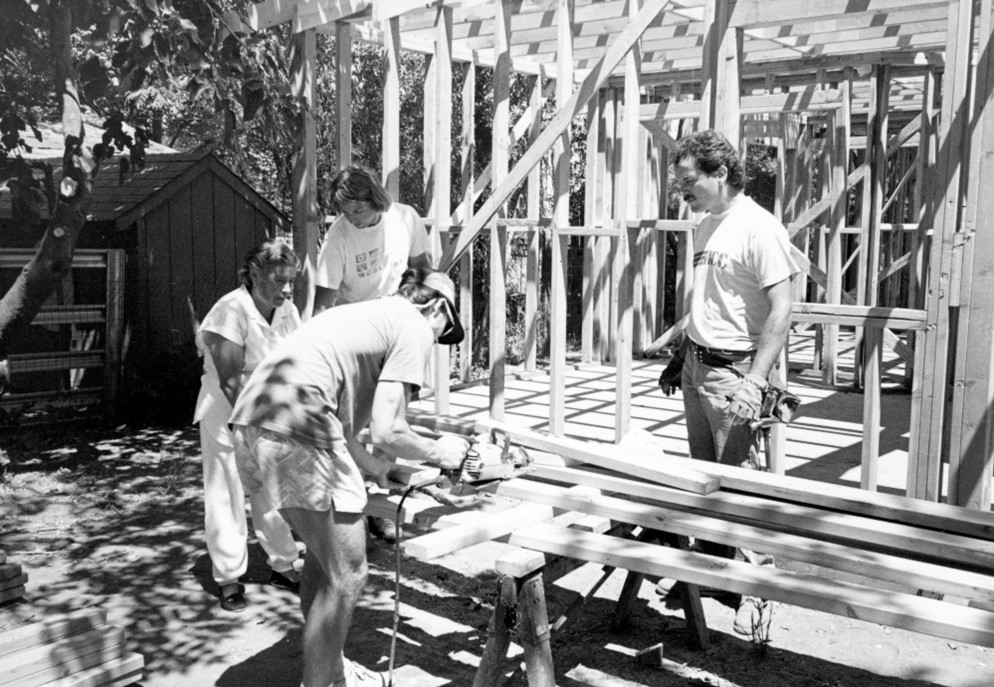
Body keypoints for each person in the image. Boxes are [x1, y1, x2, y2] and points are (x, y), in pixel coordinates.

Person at [230, 267, 471, 687]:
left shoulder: (364, 318)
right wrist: (440, 452)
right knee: (350, 573)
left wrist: (379, 468)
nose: (434, 343)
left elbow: (344, 432)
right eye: (441, 331)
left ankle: (332, 672)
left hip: (255, 423)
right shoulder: (413, 323)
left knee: (326, 565)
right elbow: (388, 430)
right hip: (297, 429)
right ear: (435, 307)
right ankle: (323, 683)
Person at [661, 129, 798, 636]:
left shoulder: (759, 229)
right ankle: (712, 575)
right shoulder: (706, 223)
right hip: (700, 366)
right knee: (707, 478)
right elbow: (712, 301)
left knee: (745, 483)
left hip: (736, 371)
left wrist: (756, 382)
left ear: (721, 174)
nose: (683, 191)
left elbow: (782, 309)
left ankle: (758, 592)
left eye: (689, 180)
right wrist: (683, 356)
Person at [313, 164, 434, 543]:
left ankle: (384, 509)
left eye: (357, 210)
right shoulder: (338, 238)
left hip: (395, 330)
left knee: (391, 422)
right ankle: (354, 505)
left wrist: (413, 308)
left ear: (376, 199)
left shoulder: (405, 219)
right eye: (344, 212)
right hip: (357, 336)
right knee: (354, 425)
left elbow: (422, 270)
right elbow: (323, 302)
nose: (351, 218)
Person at [193, 239, 304, 613]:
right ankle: (227, 578)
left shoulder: (287, 310)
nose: (287, 289)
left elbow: (296, 362)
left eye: (291, 280)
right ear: (254, 274)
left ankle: (283, 564)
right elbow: (229, 380)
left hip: (270, 414)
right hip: (225, 414)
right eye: (278, 280)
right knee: (227, 494)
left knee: (271, 491)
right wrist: (255, 425)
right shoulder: (229, 311)